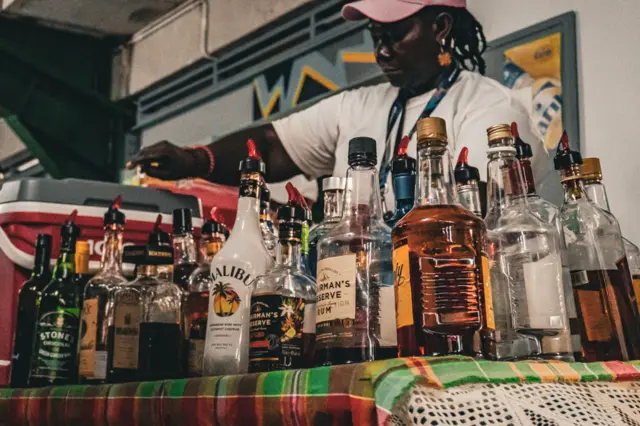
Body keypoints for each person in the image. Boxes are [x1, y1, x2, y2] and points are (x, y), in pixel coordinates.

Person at [129, 0, 555, 212]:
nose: (382, 50)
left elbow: (472, 213)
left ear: (440, 27)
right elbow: (273, 146)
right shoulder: (361, 105)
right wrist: (193, 160)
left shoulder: (491, 109)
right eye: (375, 36)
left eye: (395, 32)